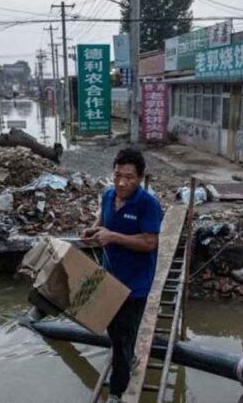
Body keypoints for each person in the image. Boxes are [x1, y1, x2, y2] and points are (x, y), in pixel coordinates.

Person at [82, 148, 163, 402]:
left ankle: (117, 392)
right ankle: (127, 356)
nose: (121, 182)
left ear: (140, 178)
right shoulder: (108, 195)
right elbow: (103, 220)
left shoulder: (148, 204)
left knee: (123, 337)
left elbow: (150, 242)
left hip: (135, 285)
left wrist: (113, 237)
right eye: (117, 175)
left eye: (128, 177)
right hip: (109, 277)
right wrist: (94, 229)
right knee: (112, 329)